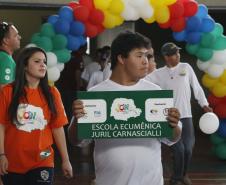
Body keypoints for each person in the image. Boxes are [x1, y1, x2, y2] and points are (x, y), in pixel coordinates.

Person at [68, 31, 182, 185]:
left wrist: (174, 125)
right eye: (139, 56)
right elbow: (77, 141)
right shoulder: (96, 94)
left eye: (147, 56)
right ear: (121, 58)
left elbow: (172, 138)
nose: (145, 62)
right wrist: (78, 121)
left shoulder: (155, 93)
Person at [0, 47, 73, 185]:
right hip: (12, 161)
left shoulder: (52, 93)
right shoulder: (8, 92)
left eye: (44, 62)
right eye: (37, 61)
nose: (43, 65)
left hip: (42, 159)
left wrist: (66, 160)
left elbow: (57, 128)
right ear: (25, 66)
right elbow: (1, 126)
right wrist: (1, 155)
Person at [145, 42, 212, 185]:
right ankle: (176, 178)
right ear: (167, 57)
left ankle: (184, 174)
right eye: (175, 53)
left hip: (186, 116)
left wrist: (204, 104)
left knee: (188, 148)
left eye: (178, 52)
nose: (178, 55)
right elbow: (141, 83)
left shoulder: (186, 68)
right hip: (169, 119)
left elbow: (197, 87)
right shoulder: (158, 74)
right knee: (179, 150)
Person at [0, 21, 21, 90]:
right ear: (6, 40)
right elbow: (4, 89)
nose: (19, 37)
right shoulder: (6, 59)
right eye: (15, 35)